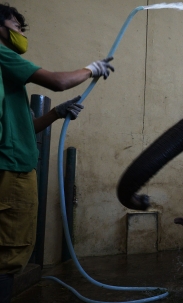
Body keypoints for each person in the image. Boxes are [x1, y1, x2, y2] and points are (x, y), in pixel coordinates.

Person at [0, 3, 114, 302]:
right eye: (15, 27)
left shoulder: (7, 76)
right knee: (9, 252)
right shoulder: (2, 55)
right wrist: (92, 68)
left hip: (11, 160)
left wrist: (56, 114)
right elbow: (59, 81)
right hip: (9, 169)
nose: (20, 34)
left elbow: (22, 130)